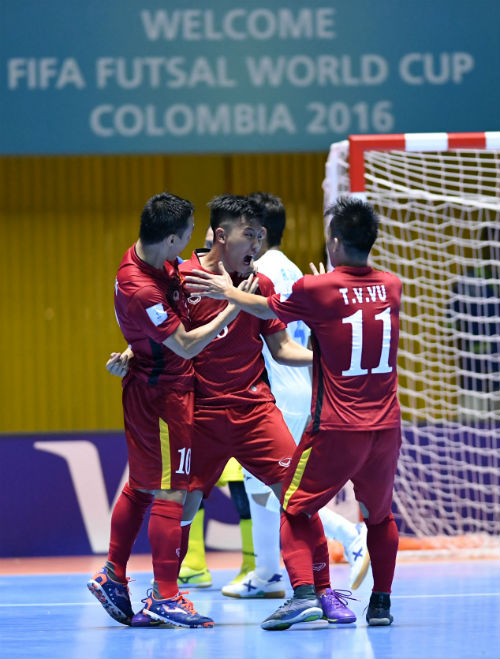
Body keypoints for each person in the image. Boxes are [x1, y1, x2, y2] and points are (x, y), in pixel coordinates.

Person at [111, 194, 358, 626]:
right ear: (221, 237)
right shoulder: (181, 280)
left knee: (296, 498)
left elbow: (281, 349)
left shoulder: (259, 285)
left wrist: (325, 358)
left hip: (254, 412)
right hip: (198, 416)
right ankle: (161, 597)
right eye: (250, 234)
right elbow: (160, 334)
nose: (257, 244)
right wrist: (134, 355)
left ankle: (314, 593)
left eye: (262, 235)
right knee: (180, 505)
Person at [185, 196, 402, 629]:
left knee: (292, 504)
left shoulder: (310, 286)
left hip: (329, 418)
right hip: (386, 425)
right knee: (380, 516)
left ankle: (305, 590)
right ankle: (379, 604)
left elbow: (270, 312)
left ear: (334, 241)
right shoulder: (393, 285)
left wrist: (225, 292)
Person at [87, 191, 251, 629]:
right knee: (171, 490)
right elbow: (185, 343)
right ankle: (166, 596)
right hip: (163, 396)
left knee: (143, 487)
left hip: (153, 383)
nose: (192, 241)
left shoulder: (151, 261)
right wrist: (233, 308)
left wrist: (132, 348)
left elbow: (154, 326)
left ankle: (113, 575)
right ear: (173, 238)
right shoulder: (139, 286)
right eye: (189, 235)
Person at [221, 192, 369, 600]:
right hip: (303, 386)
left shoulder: (257, 273)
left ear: (258, 232)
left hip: (277, 392)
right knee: (261, 486)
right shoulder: (295, 270)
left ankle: (352, 535)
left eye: (246, 226)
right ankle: (268, 572)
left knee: (282, 488)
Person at [178, 225, 256, 592]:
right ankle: (191, 565)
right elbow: (167, 333)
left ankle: (255, 567)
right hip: (200, 405)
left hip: (249, 401)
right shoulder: (186, 278)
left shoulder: (255, 278)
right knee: (192, 488)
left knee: (243, 490)